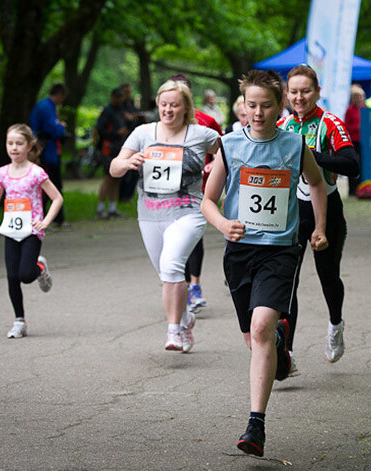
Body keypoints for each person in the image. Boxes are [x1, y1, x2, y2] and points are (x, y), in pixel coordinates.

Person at [201, 69, 328, 457]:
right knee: (254, 340)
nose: (257, 112)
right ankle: (279, 346)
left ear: (280, 106)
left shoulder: (294, 145)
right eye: (250, 105)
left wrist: (319, 227)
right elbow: (207, 200)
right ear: (243, 105)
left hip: (280, 249)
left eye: (265, 105)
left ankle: (255, 424)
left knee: (259, 329)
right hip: (239, 252)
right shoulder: (229, 144)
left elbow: (318, 184)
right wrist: (224, 223)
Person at [109, 80, 220, 353]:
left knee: (172, 266)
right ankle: (185, 318)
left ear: (185, 107)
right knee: (166, 274)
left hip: (189, 211)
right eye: (164, 105)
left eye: (174, 105)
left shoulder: (201, 134)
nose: (168, 110)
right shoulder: (143, 133)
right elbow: (114, 167)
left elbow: (229, 156)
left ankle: (174, 331)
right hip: (150, 213)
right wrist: (127, 163)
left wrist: (214, 170)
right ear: (157, 105)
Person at [279, 64, 359, 372]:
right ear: (287, 94)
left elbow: (352, 165)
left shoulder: (330, 123)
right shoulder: (283, 125)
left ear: (318, 92)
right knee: (289, 282)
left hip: (327, 209)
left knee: (328, 277)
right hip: (293, 211)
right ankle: (286, 353)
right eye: (294, 92)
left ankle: (336, 324)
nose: (299, 98)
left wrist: (311, 157)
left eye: (306, 91)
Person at [0, 124, 63, 338]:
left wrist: (46, 221)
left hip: (32, 230)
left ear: (30, 146)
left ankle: (40, 267)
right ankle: (19, 321)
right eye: (10, 143)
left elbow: (57, 198)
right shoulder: (3, 173)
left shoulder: (36, 173)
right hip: (11, 231)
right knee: (12, 276)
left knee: (25, 274)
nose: (14, 148)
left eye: (19, 143)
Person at [167, 74, 224, 313]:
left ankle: (195, 286)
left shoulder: (206, 121)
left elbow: (223, 150)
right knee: (172, 238)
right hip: (167, 191)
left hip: (197, 190)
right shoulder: (163, 122)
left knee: (194, 236)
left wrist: (213, 164)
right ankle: (178, 284)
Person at [29, 83, 68, 227]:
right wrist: (61, 127)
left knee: (55, 184)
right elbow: (53, 129)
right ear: (59, 94)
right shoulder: (46, 107)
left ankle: (58, 218)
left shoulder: (48, 106)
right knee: (46, 186)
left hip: (52, 152)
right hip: (45, 152)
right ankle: (42, 219)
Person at [95, 87, 129, 219]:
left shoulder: (121, 110)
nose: (120, 99)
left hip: (118, 148)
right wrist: (116, 133)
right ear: (112, 97)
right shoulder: (107, 111)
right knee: (108, 178)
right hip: (107, 148)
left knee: (117, 178)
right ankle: (100, 208)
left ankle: (112, 208)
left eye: (121, 97)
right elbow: (100, 130)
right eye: (118, 97)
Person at [119, 83, 144, 203]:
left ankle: (128, 196)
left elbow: (137, 116)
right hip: (122, 142)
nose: (128, 94)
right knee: (124, 169)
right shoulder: (119, 107)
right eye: (125, 92)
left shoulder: (132, 105)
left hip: (134, 140)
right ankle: (121, 196)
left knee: (135, 170)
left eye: (129, 92)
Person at [344, 84, 365, 196]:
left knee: (363, 165)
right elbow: (346, 126)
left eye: (361, 97)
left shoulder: (365, 108)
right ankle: (352, 189)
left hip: (364, 141)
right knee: (354, 164)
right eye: (357, 97)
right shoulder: (349, 110)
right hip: (354, 141)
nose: (359, 99)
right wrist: (357, 127)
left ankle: (361, 188)